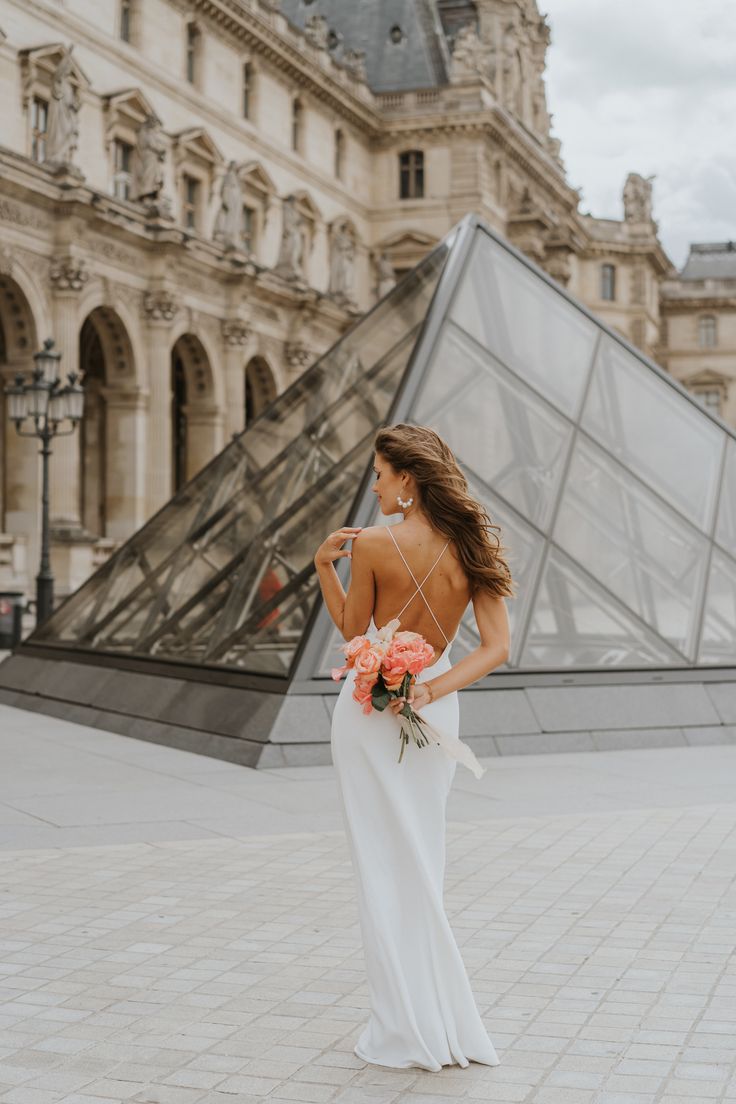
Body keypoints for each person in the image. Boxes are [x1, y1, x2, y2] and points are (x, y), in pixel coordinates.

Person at [314, 423, 515, 1072]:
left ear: (407, 479)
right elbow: (496, 648)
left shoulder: (371, 544)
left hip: (370, 711)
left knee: (380, 864)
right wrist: (430, 692)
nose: (373, 484)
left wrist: (325, 568)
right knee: (423, 860)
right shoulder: (475, 544)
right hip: (436, 713)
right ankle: (441, 1018)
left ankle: (400, 1025)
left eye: (378, 473)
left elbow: (352, 633)